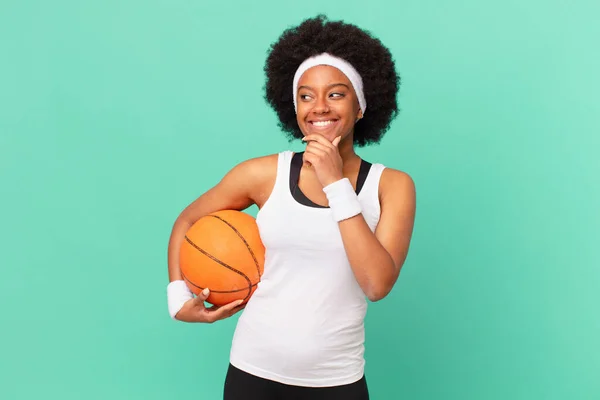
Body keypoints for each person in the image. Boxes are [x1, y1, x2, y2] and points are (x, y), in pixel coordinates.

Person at [166, 14, 416, 400]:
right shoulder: (263, 174)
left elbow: (376, 283)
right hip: (253, 370)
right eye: (306, 95)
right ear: (294, 106)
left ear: (362, 105)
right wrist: (178, 297)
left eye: (336, 94)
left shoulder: (391, 186)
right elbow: (187, 220)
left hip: (337, 380)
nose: (319, 107)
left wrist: (335, 183)